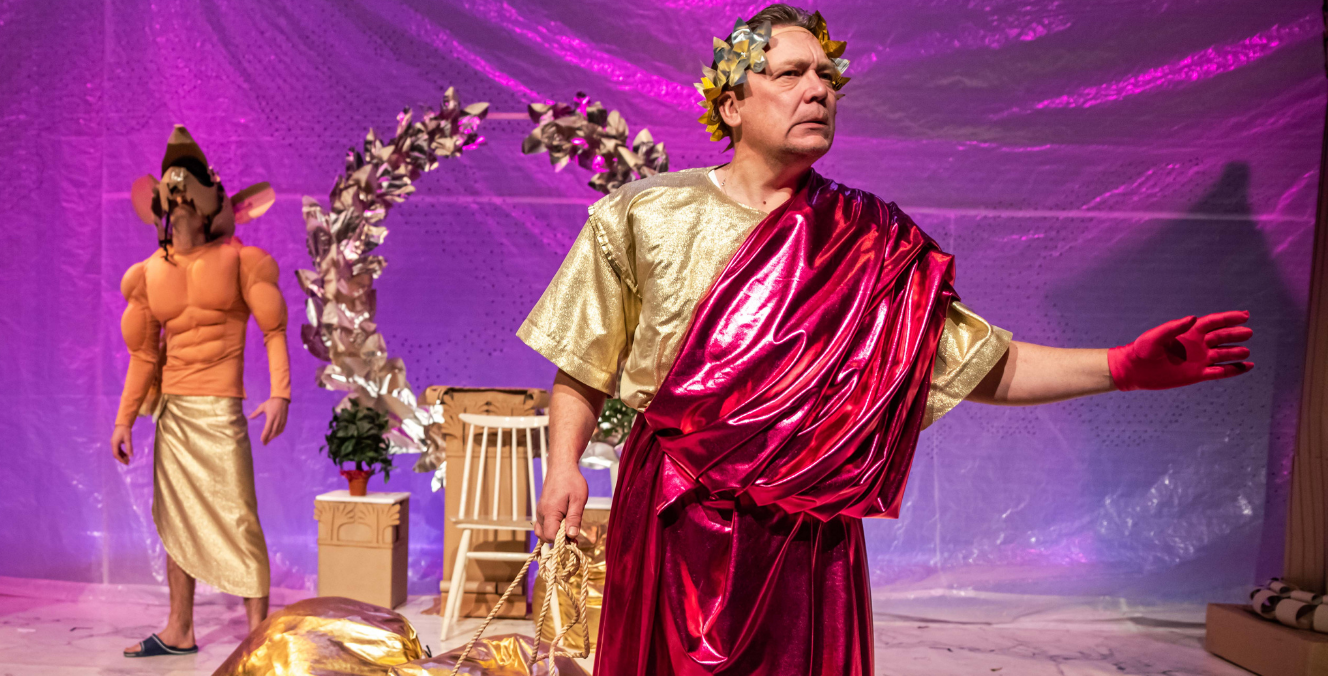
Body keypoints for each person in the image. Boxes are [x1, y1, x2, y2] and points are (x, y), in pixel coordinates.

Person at [521, 6, 1255, 675]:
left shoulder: (871, 241)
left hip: (805, 533)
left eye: (828, 76)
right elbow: (583, 364)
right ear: (732, 104)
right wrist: (564, 467)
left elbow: (981, 366)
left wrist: (1123, 366)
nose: (819, 90)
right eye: (791, 74)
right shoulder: (643, 215)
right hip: (673, 514)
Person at [111, 125, 291, 657]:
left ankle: (258, 633)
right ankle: (179, 628)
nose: (181, 195)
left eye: (190, 185)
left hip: (220, 407)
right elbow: (144, 355)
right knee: (176, 520)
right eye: (173, 189)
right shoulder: (148, 275)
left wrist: (280, 392)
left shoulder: (239, 260)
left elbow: (273, 330)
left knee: (238, 515)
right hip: (174, 412)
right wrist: (124, 420)